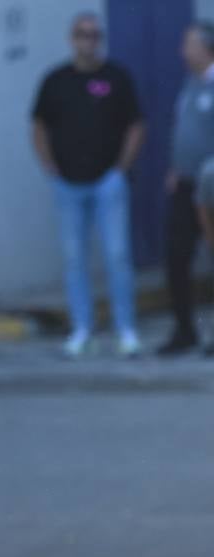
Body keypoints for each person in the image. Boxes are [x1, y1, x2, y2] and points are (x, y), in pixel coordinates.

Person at [31, 11, 145, 358]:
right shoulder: (56, 81)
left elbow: (136, 125)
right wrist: (50, 166)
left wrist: (121, 169)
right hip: (69, 184)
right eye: (83, 34)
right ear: (72, 39)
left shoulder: (117, 78)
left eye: (95, 35)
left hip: (108, 182)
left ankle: (126, 329)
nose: (88, 41)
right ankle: (83, 329)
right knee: (74, 258)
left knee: (117, 255)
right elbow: (38, 125)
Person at [160, 21, 214, 355]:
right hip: (185, 184)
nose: (183, 51)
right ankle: (185, 330)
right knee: (176, 256)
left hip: (211, 189)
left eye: (189, 44)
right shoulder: (191, 84)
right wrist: (176, 169)